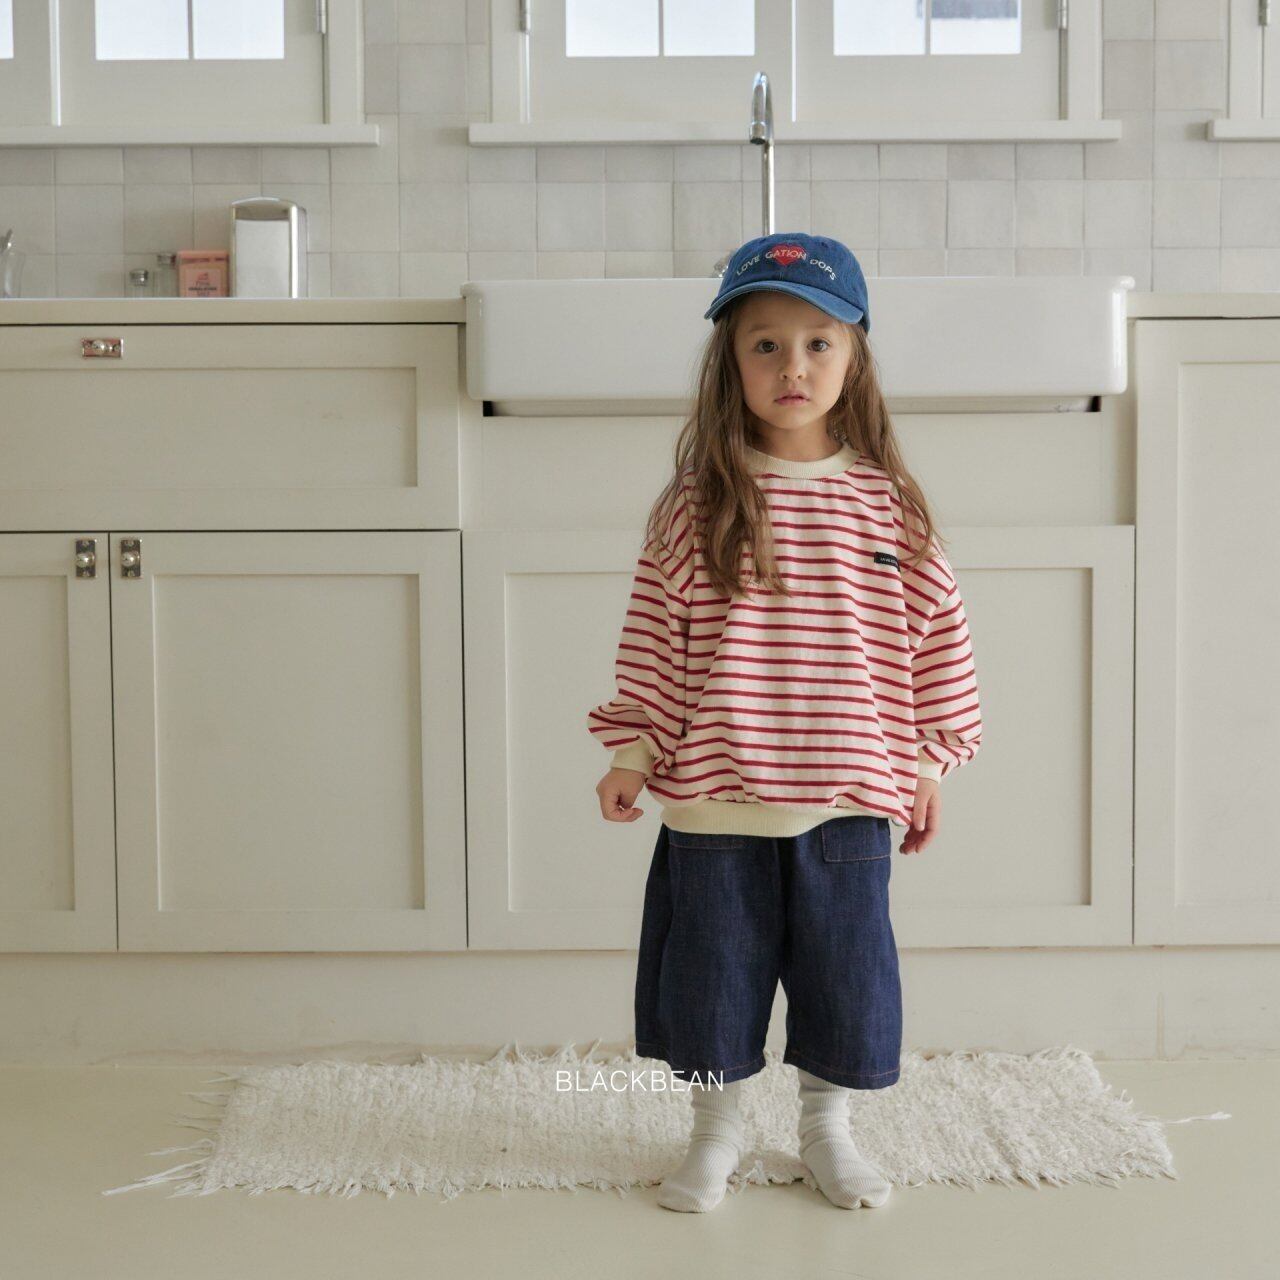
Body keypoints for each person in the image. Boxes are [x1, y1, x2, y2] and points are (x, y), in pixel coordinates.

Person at [586, 232, 983, 1212]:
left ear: (854, 359)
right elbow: (657, 636)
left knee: (844, 984)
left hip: (849, 797)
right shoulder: (695, 504)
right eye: (765, 344)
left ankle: (824, 1129)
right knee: (710, 984)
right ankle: (714, 1132)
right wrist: (633, 747)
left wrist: (929, 762)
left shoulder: (888, 507)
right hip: (715, 797)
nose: (792, 365)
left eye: (817, 343)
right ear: (730, 359)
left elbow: (937, 639)